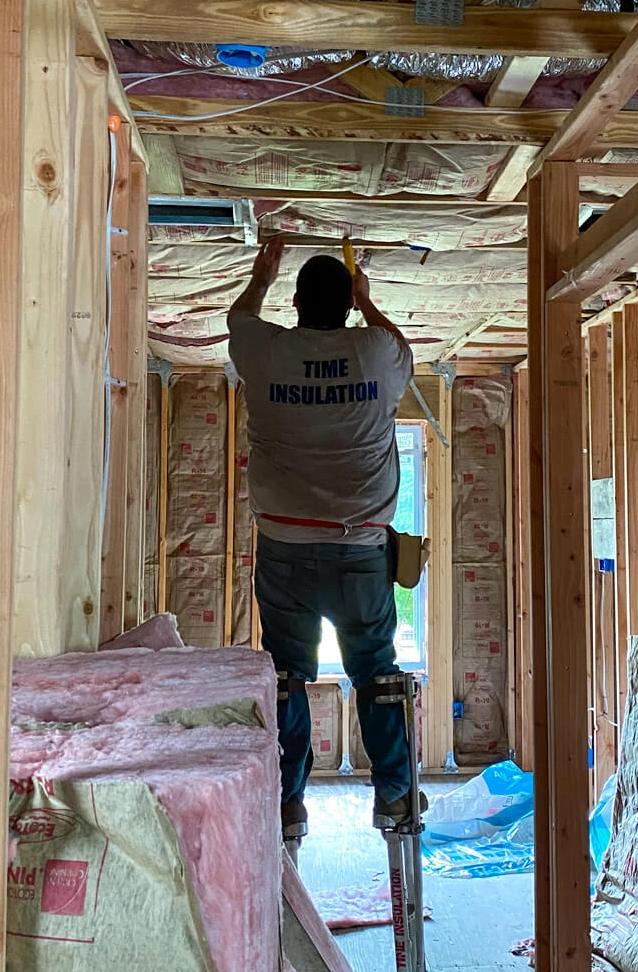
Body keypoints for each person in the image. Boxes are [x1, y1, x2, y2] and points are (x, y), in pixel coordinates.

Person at [227, 235, 424, 848]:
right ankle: (393, 790)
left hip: (285, 547)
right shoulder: (374, 351)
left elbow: (239, 318)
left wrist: (263, 271)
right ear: (347, 305)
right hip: (360, 550)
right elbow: (401, 346)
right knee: (376, 671)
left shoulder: (267, 351)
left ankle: (289, 803)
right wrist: (368, 301)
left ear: (296, 302)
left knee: (286, 676)